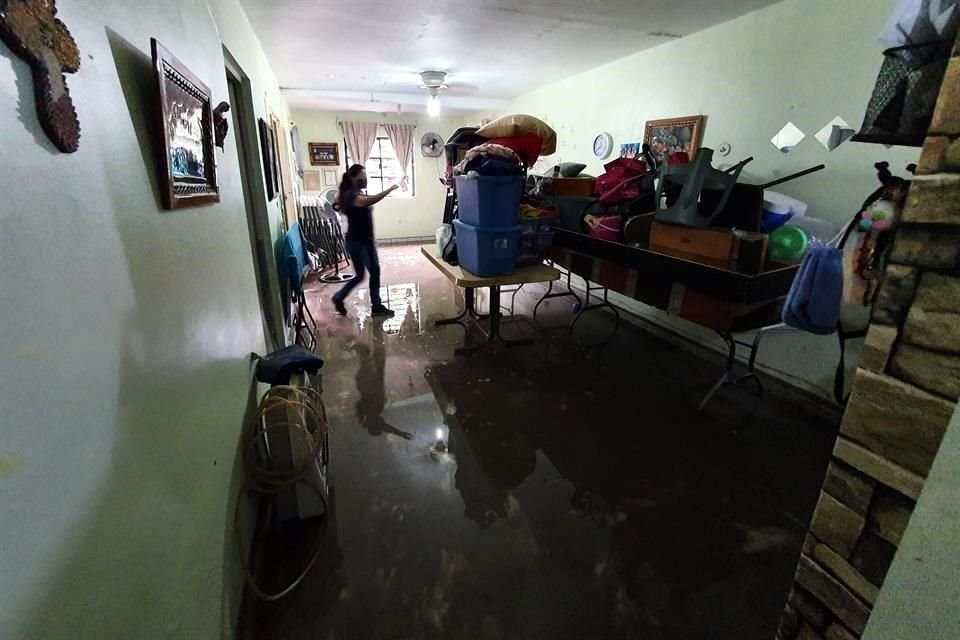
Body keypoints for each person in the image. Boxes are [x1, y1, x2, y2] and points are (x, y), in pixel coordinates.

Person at [332, 164, 398, 317]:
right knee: (373, 273)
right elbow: (366, 202)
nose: (365, 178)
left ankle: (339, 297)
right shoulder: (351, 194)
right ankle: (376, 306)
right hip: (360, 242)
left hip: (360, 240)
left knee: (363, 274)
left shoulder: (353, 193)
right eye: (362, 175)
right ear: (353, 177)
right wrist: (389, 190)